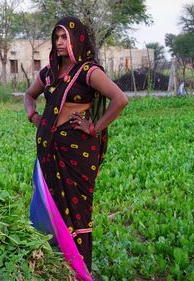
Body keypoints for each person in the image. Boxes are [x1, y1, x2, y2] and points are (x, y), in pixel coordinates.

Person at [24, 16, 128, 280]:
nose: (59, 42)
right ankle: (51, 267)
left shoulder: (89, 72)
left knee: (77, 213)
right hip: (48, 151)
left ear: (77, 39)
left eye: (64, 37)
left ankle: (78, 271)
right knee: (49, 209)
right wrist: (33, 117)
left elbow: (120, 99)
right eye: (56, 37)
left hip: (76, 154)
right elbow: (29, 95)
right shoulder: (49, 72)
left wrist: (94, 127)